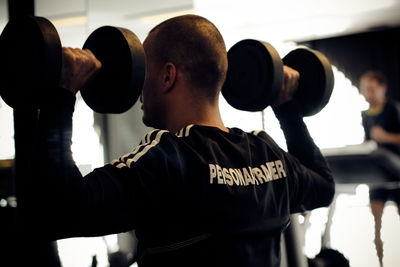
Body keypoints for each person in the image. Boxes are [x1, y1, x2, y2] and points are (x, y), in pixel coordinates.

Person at [29, 15, 334, 267]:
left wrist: (61, 96)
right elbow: (323, 186)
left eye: (144, 70)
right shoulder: (269, 157)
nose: (137, 83)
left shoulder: (169, 161)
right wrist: (287, 108)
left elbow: (58, 212)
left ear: (167, 76)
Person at [360, 70, 400, 267]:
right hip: (376, 175)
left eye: (372, 89)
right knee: (376, 227)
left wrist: (385, 137)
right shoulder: (365, 115)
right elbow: (369, 141)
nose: (369, 94)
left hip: (396, 173)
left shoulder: (394, 110)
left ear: (382, 88)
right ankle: (381, 262)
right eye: (365, 89)